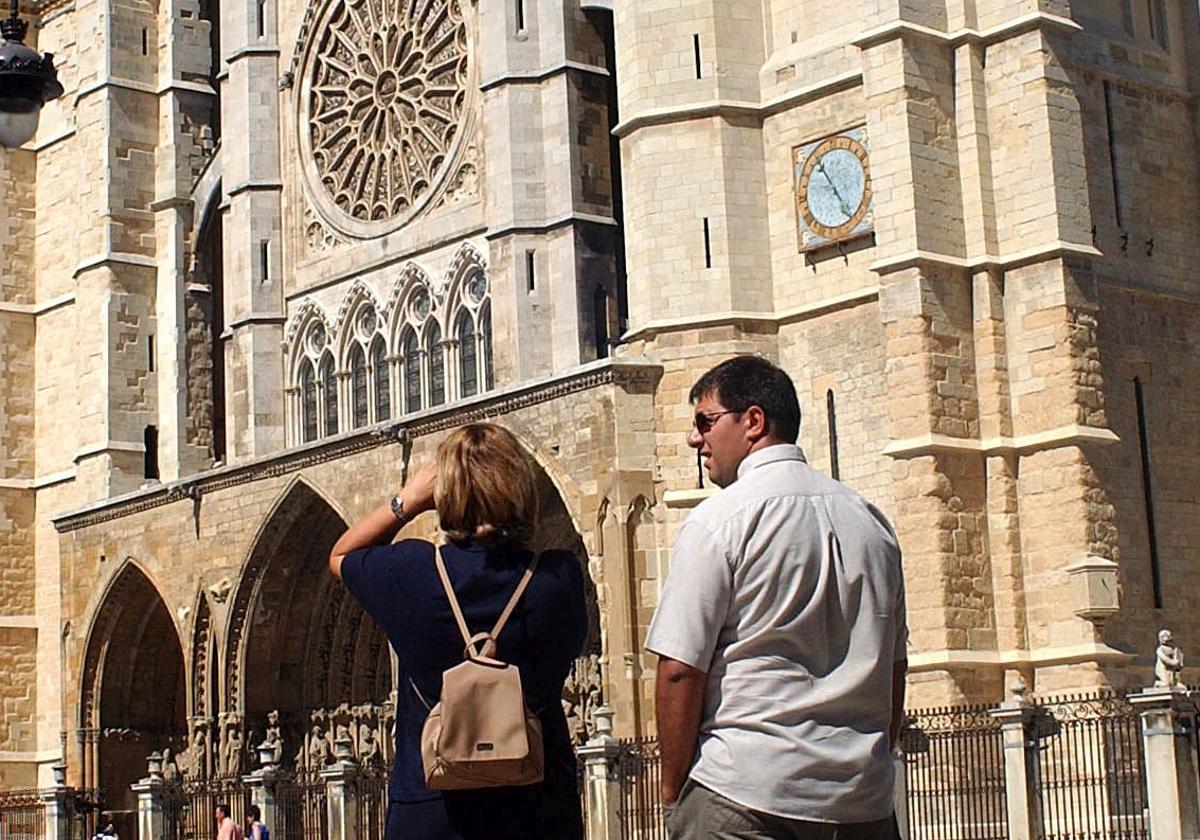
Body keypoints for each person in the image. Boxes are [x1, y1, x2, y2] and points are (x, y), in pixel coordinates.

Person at [645, 355, 908, 839]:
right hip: (862, 801)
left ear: (753, 421)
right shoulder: (872, 522)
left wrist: (673, 792)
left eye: (705, 421)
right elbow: (893, 665)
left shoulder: (719, 520)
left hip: (746, 794)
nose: (693, 438)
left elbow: (680, 669)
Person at [329, 422, 588, 839]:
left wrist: (407, 501)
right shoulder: (559, 578)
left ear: (444, 493)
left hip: (433, 809)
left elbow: (342, 555)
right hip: (538, 808)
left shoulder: (412, 572)